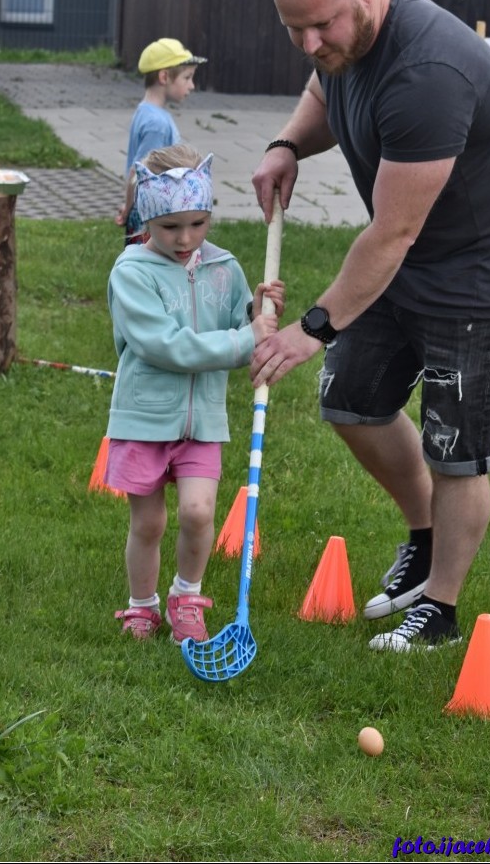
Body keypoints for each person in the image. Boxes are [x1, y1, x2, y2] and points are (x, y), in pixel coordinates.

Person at [250, 0, 490, 652]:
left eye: (321, 23)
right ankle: (424, 538)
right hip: (414, 255)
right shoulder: (342, 41)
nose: (310, 42)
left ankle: (441, 610)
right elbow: (322, 88)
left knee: (455, 444)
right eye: (294, 28)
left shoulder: (427, 72)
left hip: (482, 275)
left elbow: (389, 236)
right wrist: (286, 143)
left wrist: (312, 328)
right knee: (351, 400)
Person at [107, 144, 285, 642]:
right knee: (148, 524)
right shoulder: (132, 273)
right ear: (147, 220)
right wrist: (243, 338)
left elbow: (242, 334)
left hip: (202, 420)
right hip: (143, 417)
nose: (185, 239)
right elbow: (165, 346)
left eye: (198, 223)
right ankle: (141, 606)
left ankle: (187, 596)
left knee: (199, 512)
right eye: (170, 227)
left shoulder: (224, 268)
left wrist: (257, 315)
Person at [116, 38, 207, 245]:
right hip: (149, 216)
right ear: (164, 76)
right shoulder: (156, 123)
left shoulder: (146, 111)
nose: (192, 85)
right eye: (187, 77)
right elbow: (138, 172)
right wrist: (129, 207)